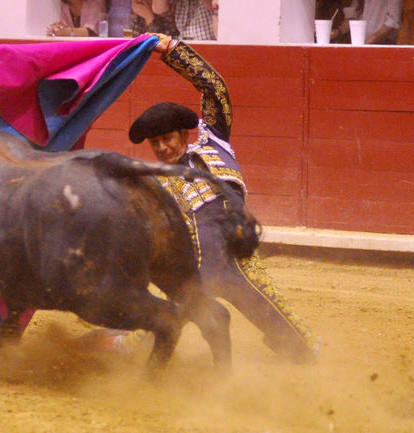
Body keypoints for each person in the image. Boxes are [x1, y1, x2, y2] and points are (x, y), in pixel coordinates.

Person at [124, 34, 317, 363]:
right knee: (159, 327)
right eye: (154, 143)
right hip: (191, 270)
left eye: (166, 138)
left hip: (233, 260)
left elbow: (214, 88)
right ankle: (128, 368)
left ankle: (309, 375)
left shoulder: (213, 144)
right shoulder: (156, 183)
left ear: (184, 135)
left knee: (283, 325)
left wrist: (172, 50)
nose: (161, 148)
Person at [331, 0, 403, 44]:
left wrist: (369, 40)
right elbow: (352, 18)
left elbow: (393, 21)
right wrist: (338, 31)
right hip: (363, 43)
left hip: (383, 43)